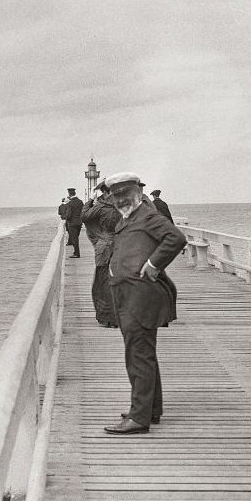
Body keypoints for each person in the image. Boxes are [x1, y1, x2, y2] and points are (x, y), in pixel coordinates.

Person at [103, 172, 186, 435]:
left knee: (138, 354)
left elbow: (176, 238)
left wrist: (153, 264)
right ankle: (150, 409)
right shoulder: (128, 218)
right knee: (142, 353)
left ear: (137, 194)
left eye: (124, 195)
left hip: (140, 296)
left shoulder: (148, 216)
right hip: (126, 294)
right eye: (116, 197)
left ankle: (139, 418)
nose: (119, 201)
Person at [81, 180, 121, 327]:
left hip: (104, 247)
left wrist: (91, 199)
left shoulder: (101, 206)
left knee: (102, 283)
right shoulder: (125, 205)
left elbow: (84, 216)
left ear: (105, 192)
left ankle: (107, 318)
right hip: (122, 246)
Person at [64, 187, 83, 258]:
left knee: (74, 239)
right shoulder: (80, 202)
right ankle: (76, 252)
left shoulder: (70, 203)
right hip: (79, 222)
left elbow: (68, 215)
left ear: (69, 194)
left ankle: (76, 253)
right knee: (76, 238)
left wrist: (66, 219)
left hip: (72, 223)